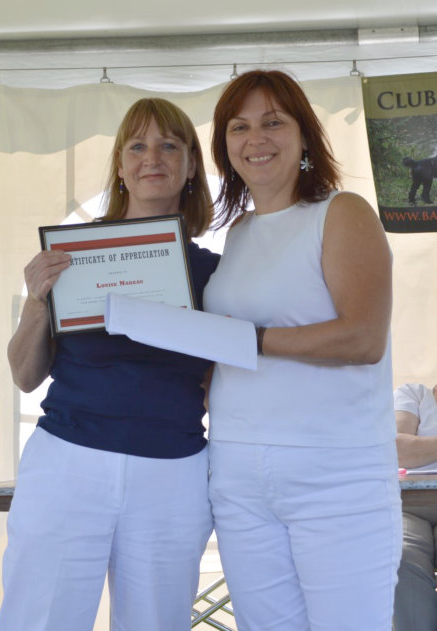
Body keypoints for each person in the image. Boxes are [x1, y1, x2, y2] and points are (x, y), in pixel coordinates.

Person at [0, 98, 219, 631]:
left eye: (169, 146)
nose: (152, 158)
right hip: (67, 463)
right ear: (120, 165)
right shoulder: (72, 258)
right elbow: (25, 376)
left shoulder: (217, 272)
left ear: (191, 165)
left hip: (172, 472)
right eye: (137, 146)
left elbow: (223, 384)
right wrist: (37, 303)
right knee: (38, 619)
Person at [202, 70, 403, 630]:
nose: (255, 139)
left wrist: (249, 339)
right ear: (224, 147)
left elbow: (363, 338)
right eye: (239, 127)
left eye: (273, 122)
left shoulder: (342, 212)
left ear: (304, 135)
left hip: (336, 475)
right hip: (237, 473)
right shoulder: (237, 233)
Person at [393, 382, 437, 631]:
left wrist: (423, 448)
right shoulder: (413, 394)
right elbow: (399, 450)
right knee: (403, 555)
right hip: (410, 503)